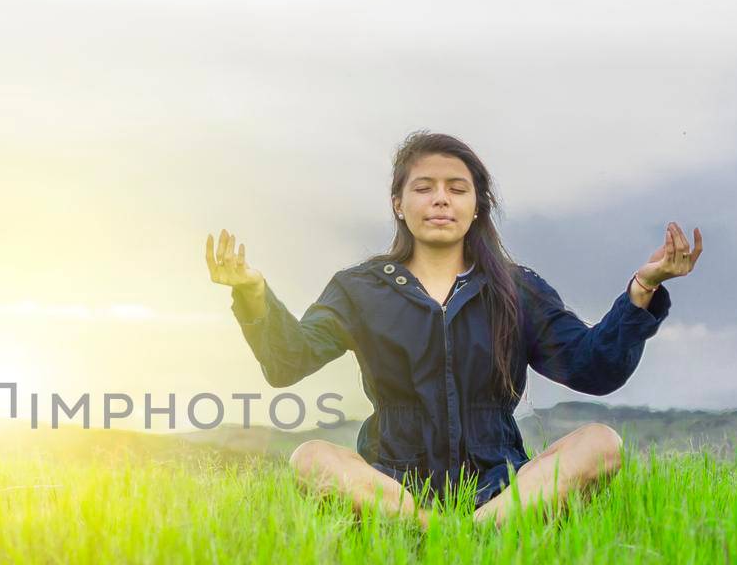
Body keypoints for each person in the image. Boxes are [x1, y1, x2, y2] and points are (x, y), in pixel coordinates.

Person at [205, 130, 704, 529]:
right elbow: (288, 361)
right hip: (392, 486)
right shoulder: (361, 288)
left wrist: (643, 289)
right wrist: (251, 292)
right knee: (311, 456)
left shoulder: (515, 288)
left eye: (456, 188)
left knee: (601, 442)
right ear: (398, 203)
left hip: (500, 489)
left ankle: (476, 530)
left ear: (477, 204)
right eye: (423, 188)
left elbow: (594, 369)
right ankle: (433, 529)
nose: (440, 200)